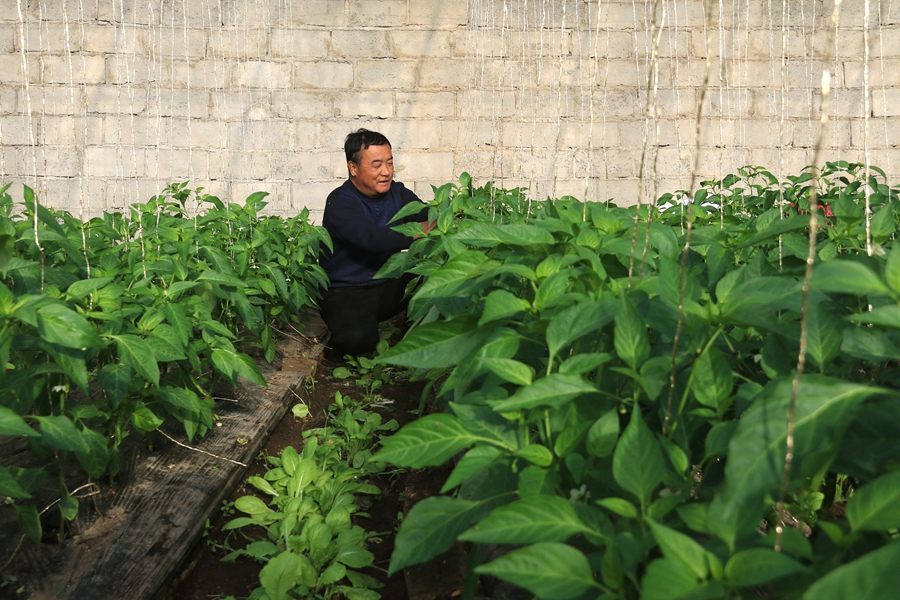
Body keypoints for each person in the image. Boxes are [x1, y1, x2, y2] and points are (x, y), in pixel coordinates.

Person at [319, 129, 434, 357]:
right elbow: (372, 239)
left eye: (390, 163)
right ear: (353, 168)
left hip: (387, 284)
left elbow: (429, 215)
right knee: (356, 343)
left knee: (435, 273)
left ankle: (414, 338)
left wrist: (451, 215)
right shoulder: (340, 202)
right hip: (347, 291)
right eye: (377, 165)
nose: (386, 172)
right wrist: (419, 231)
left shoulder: (398, 194)